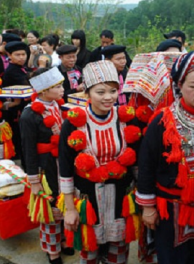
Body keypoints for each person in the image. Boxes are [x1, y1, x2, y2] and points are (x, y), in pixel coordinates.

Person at [136, 50, 194, 264]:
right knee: (173, 257)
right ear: (180, 85)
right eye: (193, 86)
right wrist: (148, 208)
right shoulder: (162, 121)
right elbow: (146, 165)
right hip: (171, 208)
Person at [59, 60, 142, 264]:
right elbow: (66, 168)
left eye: (113, 91)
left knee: (119, 250)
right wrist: (69, 209)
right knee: (90, 252)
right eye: (100, 92)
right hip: (88, 198)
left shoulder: (126, 119)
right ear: (87, 93)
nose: (108, 97)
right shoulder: (73, 124)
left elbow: (137, 162)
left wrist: (144, 197)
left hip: (121, 196)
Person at [21, 67, 73, 264]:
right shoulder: (29, 115)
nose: (62, 90)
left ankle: (66, 241)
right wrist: (34, 180)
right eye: (58, 86)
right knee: (50, 207)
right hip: (46, 166)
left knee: (67, 202)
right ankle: (52, 251)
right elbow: (28, 150)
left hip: (63, 162)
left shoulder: (59, 106)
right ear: (43, 91)